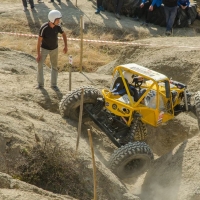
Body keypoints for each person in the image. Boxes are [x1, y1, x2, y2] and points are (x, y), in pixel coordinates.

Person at [36, 10, 68, 91]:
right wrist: (38, 54)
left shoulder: (58, 26)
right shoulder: (44, 28)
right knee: (40, 65)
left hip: (55, 49)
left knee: (54, 67)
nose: (59, 21)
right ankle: (40, 85)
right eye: (58, 19)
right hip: (44, 49)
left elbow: (64, 34)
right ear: (53, 19)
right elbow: (39, 41)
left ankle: (54, 85)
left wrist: (66, 46)